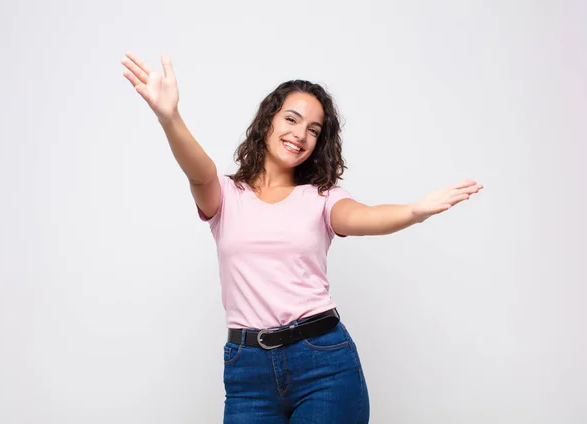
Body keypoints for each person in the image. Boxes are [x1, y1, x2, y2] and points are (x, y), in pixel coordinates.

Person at [121, 51, 483, 424]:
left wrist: (413, 211)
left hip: (323, 364)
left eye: (313, 129)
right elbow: (201, 173)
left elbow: (364, 217)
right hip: (247, 370)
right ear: (267, 123)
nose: (301, 134)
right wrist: (170, 118)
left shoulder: (322, 199)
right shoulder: (226, 195)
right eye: (291, 119)